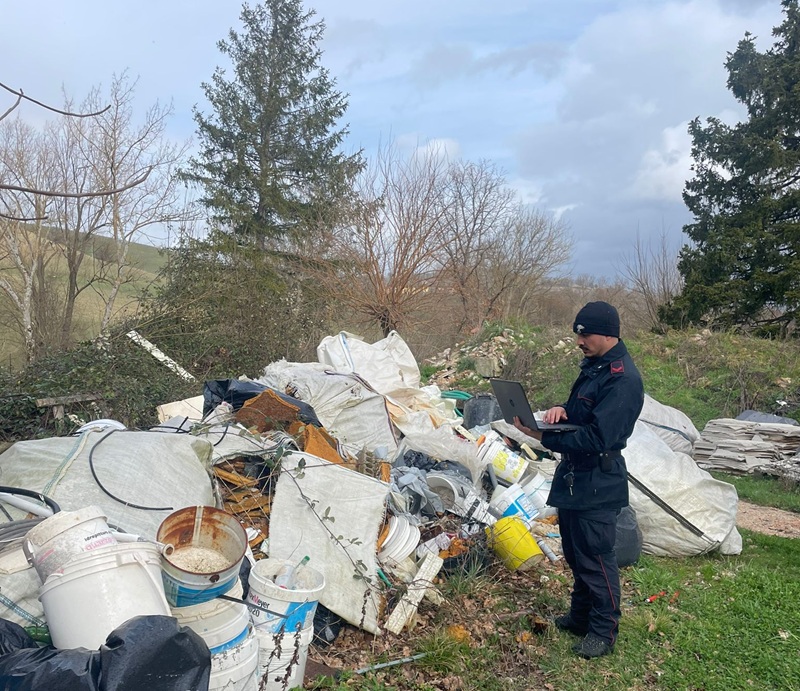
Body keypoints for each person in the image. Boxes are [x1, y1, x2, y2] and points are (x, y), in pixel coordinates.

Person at [513, 301, 643, 659]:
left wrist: (543, 436)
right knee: (574, 552)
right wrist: (561, 411)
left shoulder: (623, 379)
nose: (579, 342)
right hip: (575, 476)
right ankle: (580, 616)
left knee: (596, 558)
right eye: (577, 334)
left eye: (585, 335)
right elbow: (582, 413)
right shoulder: (595, 367)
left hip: (598, 479)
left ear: (607, 333)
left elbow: (598, 437)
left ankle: (603, 631)